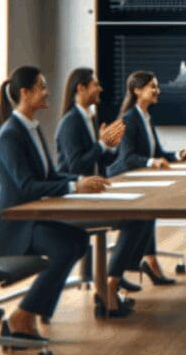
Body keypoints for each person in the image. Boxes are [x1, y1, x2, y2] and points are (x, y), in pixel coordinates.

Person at [0, 66, 110, 339]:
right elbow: (27, 186)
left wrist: (81, 180)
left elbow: (50, 175)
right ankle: (21, 317)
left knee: (79, 240)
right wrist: (74, 186)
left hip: (32, 218)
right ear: (25, 93)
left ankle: (31, 313)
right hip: (15, 225)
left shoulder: (31, 128)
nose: (47, 92)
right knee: (65, 247)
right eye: (42, 87)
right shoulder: (10, 135)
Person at [55, 67, 152, 314]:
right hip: (74, 198)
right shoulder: (70, 123)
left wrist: (109, 148)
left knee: (144, 210)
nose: (100, 89)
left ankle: (113, 280)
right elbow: (76, 167)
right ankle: (110, 287)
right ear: (81, 88)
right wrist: (101, 144)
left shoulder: (88, 118)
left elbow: (98, 161)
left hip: (92, 192)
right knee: (137, 217)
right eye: (95, 85)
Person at [108, 70, 186, 285]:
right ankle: (126, 270)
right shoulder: (128, 119)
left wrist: (179, 155)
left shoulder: (145, 118)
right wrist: (151, 162)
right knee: (145, 214)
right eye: (153, 87)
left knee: (149, 211)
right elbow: (128, 158)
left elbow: (157, 153)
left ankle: (148, 262)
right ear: (137, 91)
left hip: (139, 179)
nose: (158, 91)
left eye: (157, 86)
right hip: (123, 181)